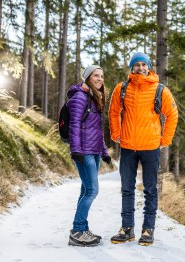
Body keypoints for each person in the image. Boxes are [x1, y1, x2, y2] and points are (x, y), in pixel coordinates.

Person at [108, 52, 178, 246]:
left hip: (150, 147)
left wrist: (165, 139)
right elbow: (113, 112)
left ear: (149, 67)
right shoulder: (121, 89)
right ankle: (127, 229)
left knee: (150, 189)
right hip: (128, 147)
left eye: (143, 64)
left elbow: (172, 115)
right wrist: (116, 133)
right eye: (136, 65)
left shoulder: (160, 90)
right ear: (131, 68)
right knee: (127, 189)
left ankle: (148, 230)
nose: (140, 68)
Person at [67, 65, 112, 247]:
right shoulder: (80, 97)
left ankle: (82, 228)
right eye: (96, 76)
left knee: (85, 190)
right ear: (87, 78)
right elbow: (74, 126)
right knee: (92, 190)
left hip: (93, 152)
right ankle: (77, 231)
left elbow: (96, 131)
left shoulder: (94, 98)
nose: (100, 79)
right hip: (83, 152)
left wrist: (104, 152)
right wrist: (75, 150)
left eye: (101, 76)